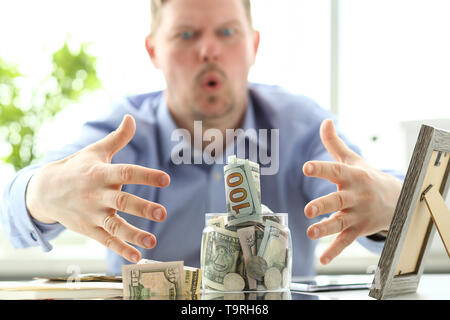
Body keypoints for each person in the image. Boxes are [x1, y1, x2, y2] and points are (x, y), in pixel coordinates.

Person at [0, 0, 403, 277]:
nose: (209, 50)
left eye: (227, 32)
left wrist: (389, 206)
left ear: (253, 46)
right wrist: (45, 192)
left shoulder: (302, 125)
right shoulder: (121, 131)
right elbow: (16, 202)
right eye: (187, 35)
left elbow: (369, 186)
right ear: (154, 50)